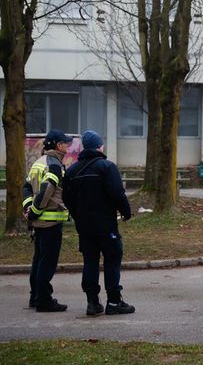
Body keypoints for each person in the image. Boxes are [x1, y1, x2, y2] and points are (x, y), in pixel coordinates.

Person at [62, 130, 134, 316]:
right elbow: (118, 194)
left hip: (85, 227)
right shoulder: (106, 167)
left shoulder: (72, 171)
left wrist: (78, 215)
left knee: (90, 261)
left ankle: (92, 303)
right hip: (106, 225)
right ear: (99, 146)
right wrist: (126, 213)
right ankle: (114, 301)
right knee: (112, 259)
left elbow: (67, 198)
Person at [22, 129, 72, 312]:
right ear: (59, 146)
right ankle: (43, 300)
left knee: (38, 260)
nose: (68, 145)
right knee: (47, 262)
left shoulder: (38, 162)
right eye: (66, 143)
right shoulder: (54, 165)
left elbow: (27, 187)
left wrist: (27, 208)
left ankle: (34, 297)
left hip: (39, 224)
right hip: (49, 223)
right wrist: (34, 211)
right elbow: (47, 190)